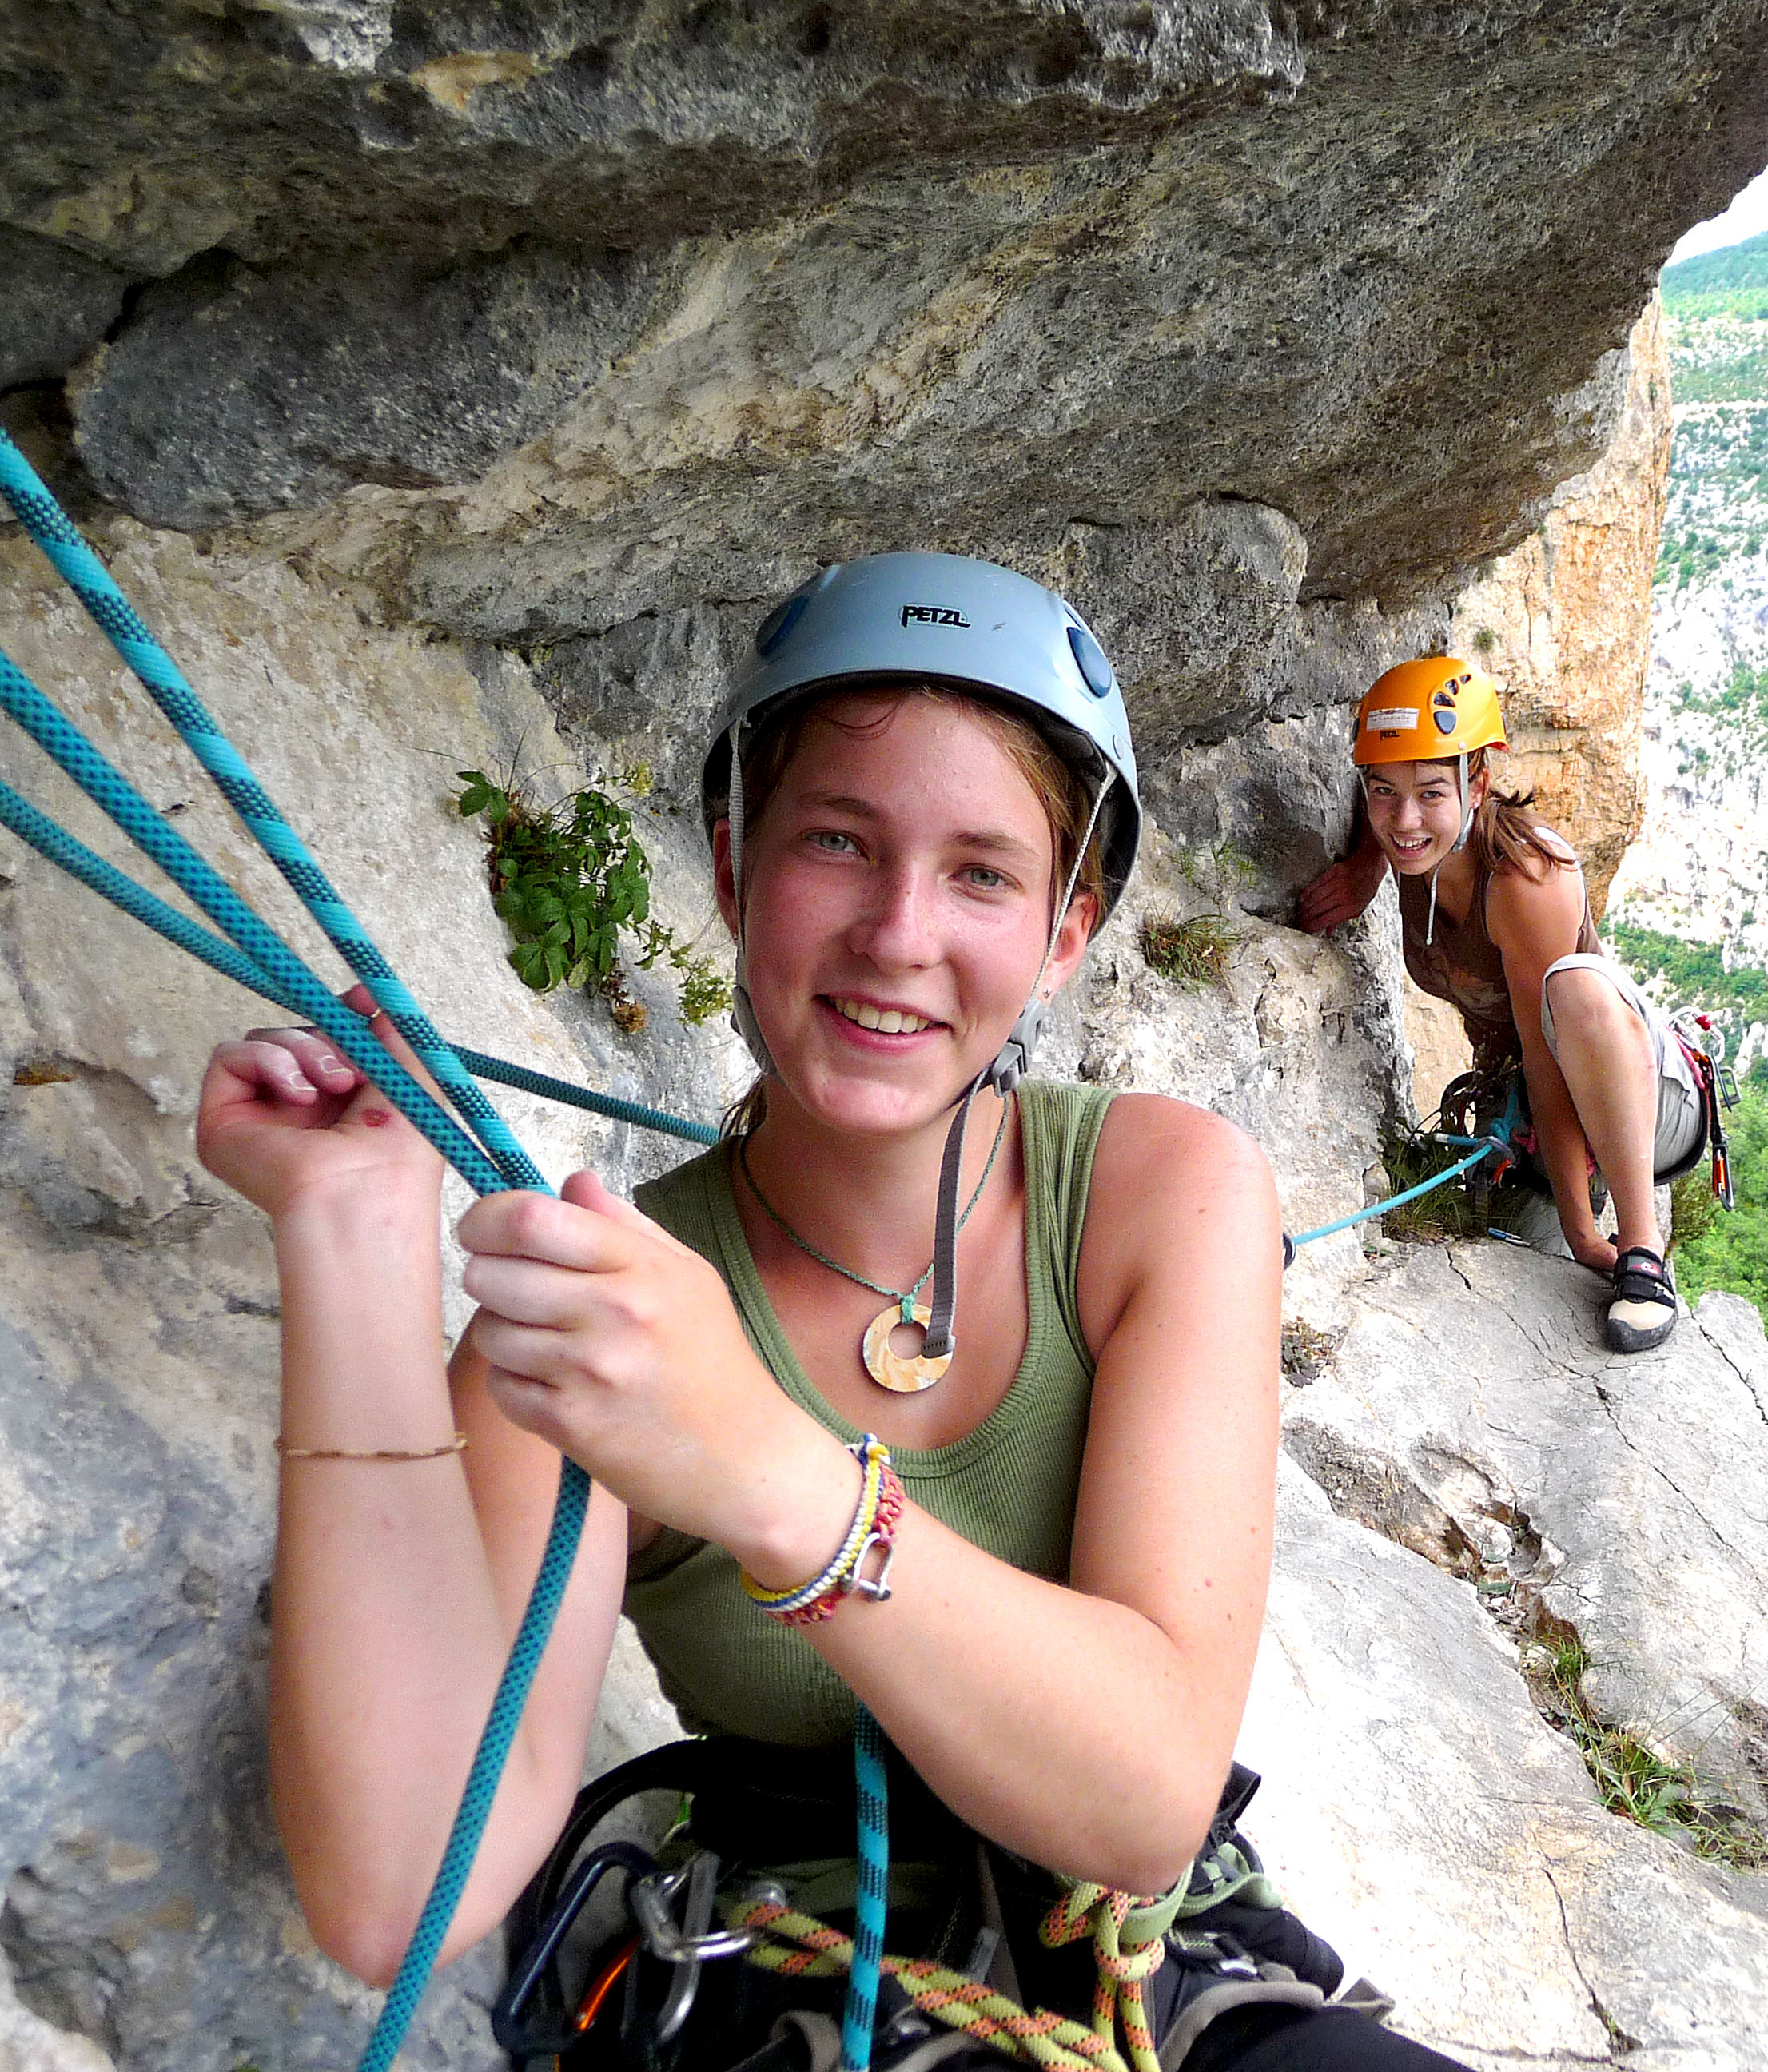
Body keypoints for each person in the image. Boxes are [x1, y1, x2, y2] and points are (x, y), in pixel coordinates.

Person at [195, 554, 1463, 2070]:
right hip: (794, 1994)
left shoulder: (1160, 1195)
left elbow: (1148, 1792)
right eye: (838, 842)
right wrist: (351, 1239)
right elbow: (403, 1888)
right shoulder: (616, 1307)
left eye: (983, 872)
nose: (898, 930)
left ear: (1067, 930)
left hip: (1159, 1977)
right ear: (733, 870)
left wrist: (764, 1471)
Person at [1300, 656, 1703, 1354]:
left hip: (1638, 1098)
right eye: (1382, 794)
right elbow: (1391, 807)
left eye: (1432, 793)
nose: (1404, 820)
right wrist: (1366, 867)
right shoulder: (1409, 846)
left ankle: (1645, 1254)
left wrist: (1585, 1230)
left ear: (1477, 783)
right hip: (1534, 1119)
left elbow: (1549, 1064)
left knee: (1573, 985)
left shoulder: (1526, 880)